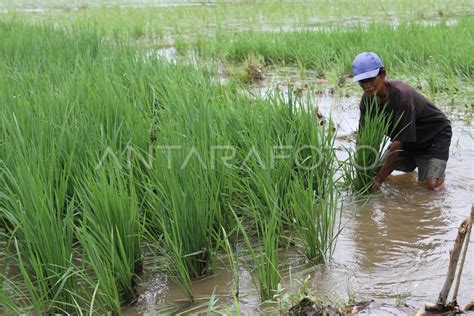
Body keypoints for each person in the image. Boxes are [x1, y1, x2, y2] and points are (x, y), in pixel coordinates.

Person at [352, 52, 452, 191]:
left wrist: (379, 179)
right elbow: (363, 140)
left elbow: (398, 144)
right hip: (408, 140)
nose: (367, 86)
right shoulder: (367, 101)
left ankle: (435, 175)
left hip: (433, 137)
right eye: (362, 82)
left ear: (383, 74)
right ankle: (413, 167)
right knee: (374, 170)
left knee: (431, 186)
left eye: (371, 79)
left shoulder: (401, 97)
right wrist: (361, 173)